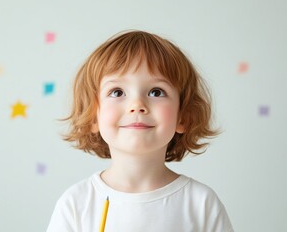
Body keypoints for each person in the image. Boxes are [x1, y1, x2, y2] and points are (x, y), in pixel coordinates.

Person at [46, 30, 234, 232]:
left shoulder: (202, 205)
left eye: (156, 92)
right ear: (93, 116)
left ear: (183, 117)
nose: (137, 105)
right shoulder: (75, 204)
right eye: (117, 92)